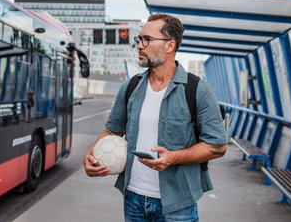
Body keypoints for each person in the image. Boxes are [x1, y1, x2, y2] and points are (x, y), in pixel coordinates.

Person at [83, 13, 227, 221]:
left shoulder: (198, 90)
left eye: (147, 40)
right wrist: (91, 154)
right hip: (132, 197)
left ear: (170, 45)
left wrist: (173, 157)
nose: (140, 45)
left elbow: (217, 146)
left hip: (178, 204)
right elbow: (112, 130)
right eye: (139, 39)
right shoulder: (130, 87)